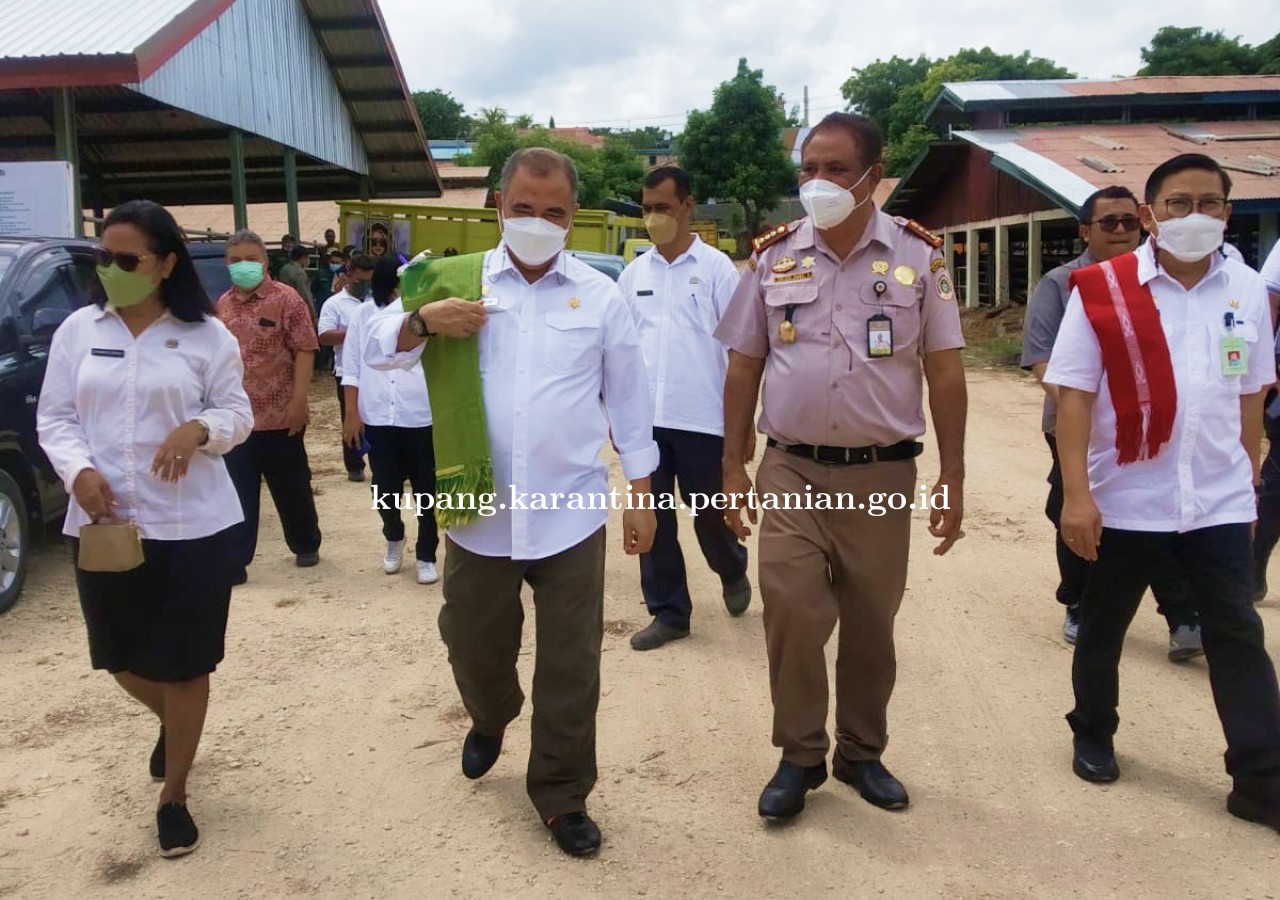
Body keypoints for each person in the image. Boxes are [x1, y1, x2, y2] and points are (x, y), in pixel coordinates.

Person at [364, 147, 658, 857]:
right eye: (523, 209)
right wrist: (422, 320)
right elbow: (377, 351)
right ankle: (491, 714)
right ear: (499, 205)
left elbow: (628, 397)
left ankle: (561, 794)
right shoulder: (449, 280)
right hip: (476, 513)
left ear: (571, 217)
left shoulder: (598, 293)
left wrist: (641, 494)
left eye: (553, 212)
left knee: (571, 665)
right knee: (471, 644)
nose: (536, 222)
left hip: (570, 513)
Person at [716, 112, 967, 820]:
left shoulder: (919, 259)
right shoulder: (772, 258)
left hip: (882, 474)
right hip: (790, 466)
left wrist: (954, 473)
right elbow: (744, 365)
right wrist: (733, 464)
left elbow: (945, 372)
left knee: (869, 621)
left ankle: (861, 752)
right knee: (792, 609)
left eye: (834, 169)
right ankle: (799, 755)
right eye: (808, 168)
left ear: (872, 176)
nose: (817, 183)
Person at [1048, 153, 1280, 832]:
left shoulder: (1242, 292)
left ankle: (1261, 779)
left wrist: (1249, 475)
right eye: (1179, 204)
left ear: (1227, 215)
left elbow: (1249, 392)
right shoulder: (1104, 289)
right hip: (1128, 498)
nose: (1195, 216)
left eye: (1210, 203)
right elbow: (1073, 399)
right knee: (1104, 627)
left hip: (1216, 498)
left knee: (1236, 633)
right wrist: (1078, 497)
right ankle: (1093, 728)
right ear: (1151, 216)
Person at [36, 199, 254, 857]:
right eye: (103, 256)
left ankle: (176, 794)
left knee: (187, 665)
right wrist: (76, 472)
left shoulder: (206, 336)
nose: (109, 268)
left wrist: (200, 429)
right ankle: (176, 723)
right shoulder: (79, 330)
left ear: (164, 264)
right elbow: (56, 418)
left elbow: (236, 414)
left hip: (193, 527)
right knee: (117, 655)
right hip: (105, 523)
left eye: (125, 259)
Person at [1022, 186, 1203, 658]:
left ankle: (1182, 614)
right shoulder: (1061, 284)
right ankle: (1078, 602)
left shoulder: (1162, 282)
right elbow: (1042, 360)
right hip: (1077, 425)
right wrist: (1093, 412)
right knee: (1073, 509)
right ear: (1086, 231)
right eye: (1108, 223)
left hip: (1151, 429)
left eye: (1128, 221)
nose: (1121, 230)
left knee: (1159, 515)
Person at [617, 165, 751, 650]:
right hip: (646, 423)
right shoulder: (632, 276)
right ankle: (670, 612)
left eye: (663, 209)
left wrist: (742, 427)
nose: (653, 218)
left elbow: (742, 352)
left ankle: (731, 567)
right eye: (647, 209)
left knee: (710, 516)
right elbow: (618, 352)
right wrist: (618, 416)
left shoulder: (716, 270)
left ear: (688, 206)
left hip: (703, 420)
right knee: (653, 518)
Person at [216, 230, 323, 581]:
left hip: (281, 416)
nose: (243, 265)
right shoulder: (222, 306)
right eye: (235, 260)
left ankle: (306, 544)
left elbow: (305, 349)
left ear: (265, 261)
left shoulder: (286, 299)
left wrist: (299, 401)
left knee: (291, 487)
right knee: (238, 492)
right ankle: (235, 560)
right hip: (238, 420)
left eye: (251, 259)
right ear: (226, 264)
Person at [342, 258, 439, 584]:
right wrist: (351, 414)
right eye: (399, 284)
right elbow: (351, 367)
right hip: (379, 415)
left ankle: (427, 552)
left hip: (420, 415)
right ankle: (394, 536)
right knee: (385, 486)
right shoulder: (363, 314)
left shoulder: (428, 313)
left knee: (427, 489)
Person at [318, 253, 375, 482]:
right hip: (346, 372)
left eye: (368, 282)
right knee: (351, 417)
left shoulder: (377, 300)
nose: (364, 287)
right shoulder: (334, 304)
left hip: (375, 372)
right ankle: (354, 465)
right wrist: (354, 333)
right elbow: (324, 335)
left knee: (378, 420)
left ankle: (385, 463)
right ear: (349, 275)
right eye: (359, 282)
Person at [277, 244, 317, 322]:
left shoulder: (283, 269)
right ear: (303, 257)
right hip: (297, 309)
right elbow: (305, 294)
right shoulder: (299, 272)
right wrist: (314, 316)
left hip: (283, 307)